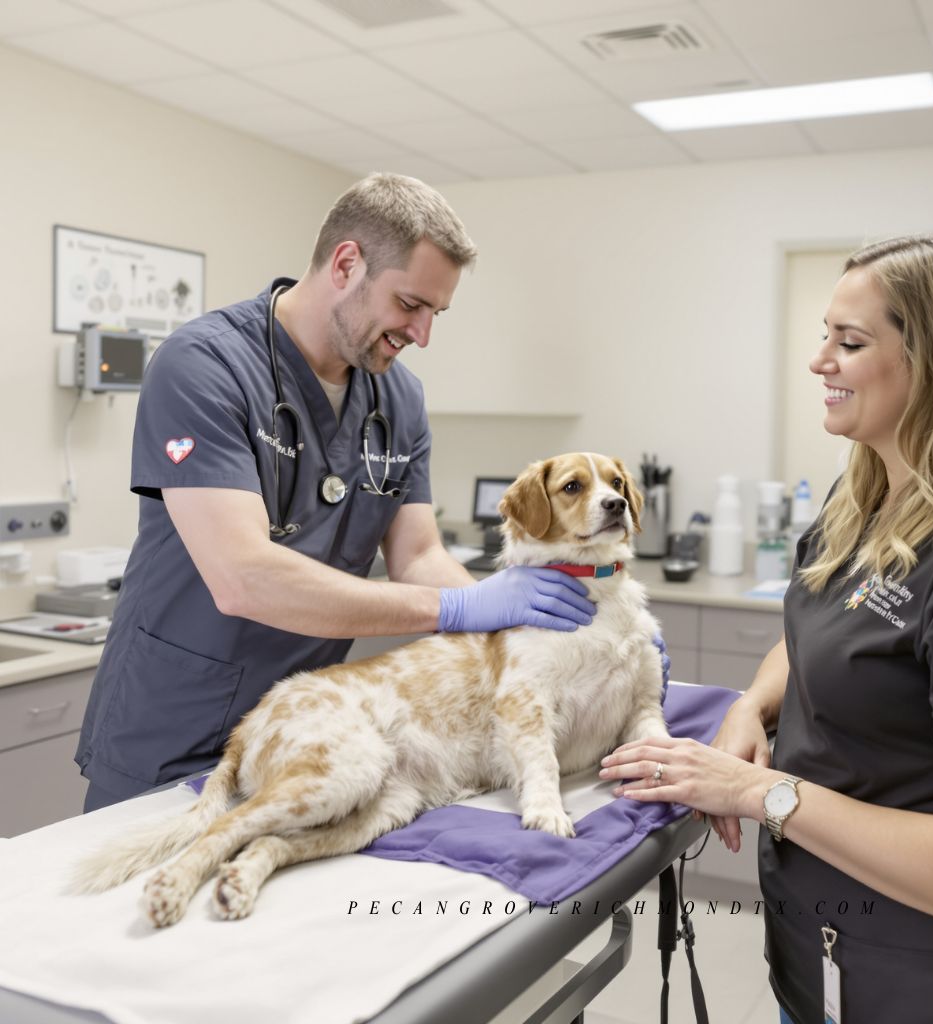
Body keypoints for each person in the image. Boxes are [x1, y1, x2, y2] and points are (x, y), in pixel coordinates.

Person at [76, 173, 608, 811]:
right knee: (146, 897)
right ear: (347, 262)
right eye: (410, 304)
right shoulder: (203, 366)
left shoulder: (399, 396)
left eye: (435, 313)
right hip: (173, 727)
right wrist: (458, 612)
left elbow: (417, 556)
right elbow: (242, 576)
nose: (422, 334)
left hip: (311, 728)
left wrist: (530, 624)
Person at [599, 233, 933, 1023]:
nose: (819, 360)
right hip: (820, 958)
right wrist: (751, 706)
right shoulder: (862, 497)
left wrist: (761, 792)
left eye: (850, 341)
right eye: (824, 333)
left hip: (930, 990)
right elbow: (817, 633)